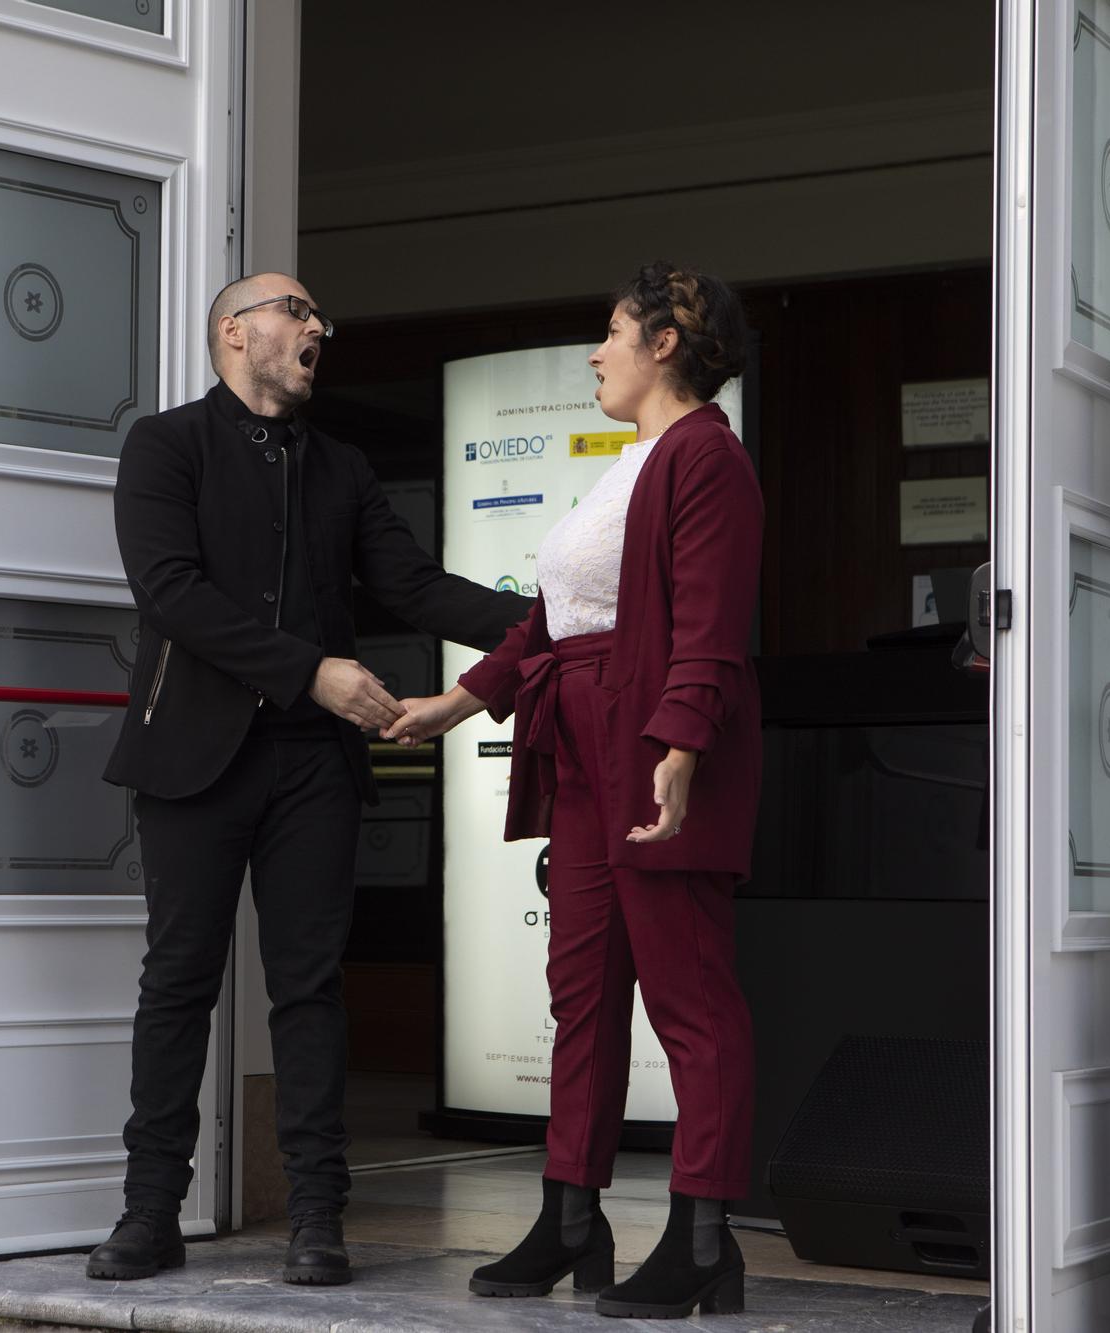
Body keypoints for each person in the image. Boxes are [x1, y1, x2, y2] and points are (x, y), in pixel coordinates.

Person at [89, 273, 531, 1287]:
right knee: (179, 981)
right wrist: (311, 670)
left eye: (318, 318)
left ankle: (315, 1218)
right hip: (193, 758)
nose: (315, 329)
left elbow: (411, 584)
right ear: (233, 331)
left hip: (310, 769)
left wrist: (543, 623)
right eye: (295, 311)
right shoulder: (164, 446)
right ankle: (148, 1209)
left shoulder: (341, 466)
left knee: (307, 988)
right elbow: (170, 593)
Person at [386, 262, 762, 1320]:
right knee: (581, 991)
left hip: (649, 737)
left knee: (687, 996)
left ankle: (702, 1238)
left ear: (662, 346)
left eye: (607, 334)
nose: (593, 354)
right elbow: (549, 619)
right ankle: (568, 1217)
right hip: (585, 738)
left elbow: (709, 622)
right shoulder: (629, 463)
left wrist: (679, 746)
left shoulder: (707, 459)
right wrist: (455, 703)